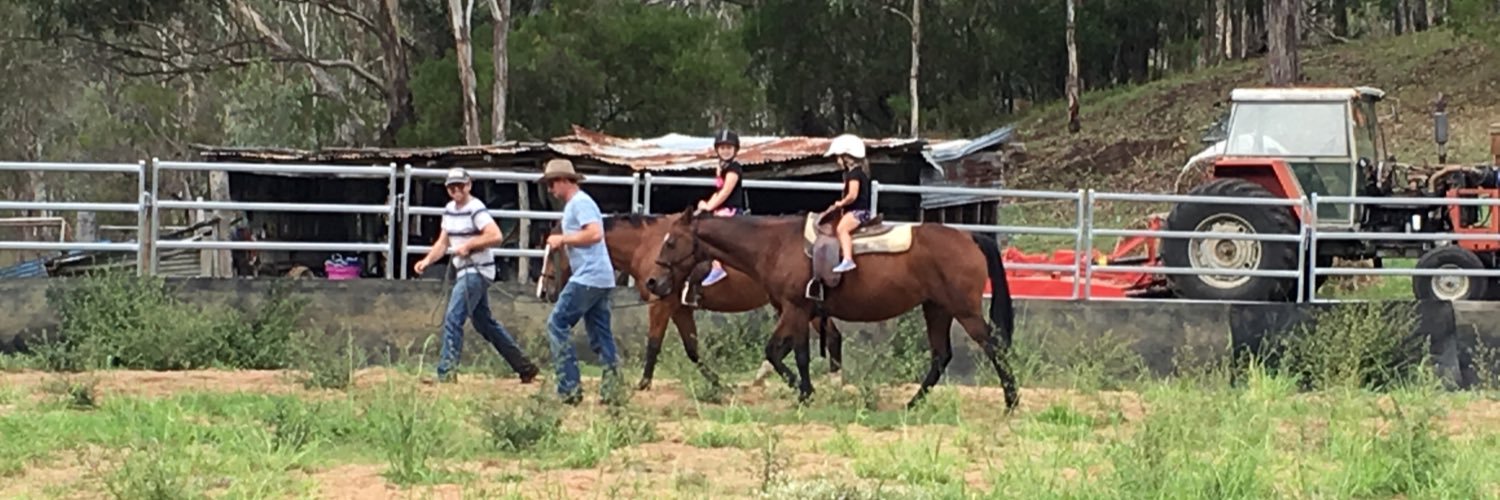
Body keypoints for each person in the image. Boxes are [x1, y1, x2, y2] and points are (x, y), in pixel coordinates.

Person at [414, 167, 539, 384]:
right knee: (484, 323)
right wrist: (427, 260)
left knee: (453, 317)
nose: (456, 191)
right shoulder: (449, 210)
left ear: (468, 185)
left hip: (477, 270)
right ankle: (524, 366)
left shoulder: (476, 208)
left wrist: (469, 245)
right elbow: (443, 243)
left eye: (459, 186)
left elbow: (495, 235)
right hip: (466, 270)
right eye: (452, 187)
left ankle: (447, 372)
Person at [540, 158, 622, 404]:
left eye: (552, 183)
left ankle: (569, 388)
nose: (551, 190)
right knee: (600, 333)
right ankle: (612, 388)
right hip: (600, 276)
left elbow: (595, 233)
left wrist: (562, 239)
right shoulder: (580, 203)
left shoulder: (580, 203)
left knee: (557, 323)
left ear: (565, 181)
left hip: (589, 275)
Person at [695, 129, 750, 287]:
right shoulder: (721, 168)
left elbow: (725, 192)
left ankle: (718, 267)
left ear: (735, 150)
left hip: (731, 210)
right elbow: (717, 191)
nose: (726, 151)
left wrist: (709, 207)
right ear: (717, 150)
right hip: (721, 209)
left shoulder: (734, 169)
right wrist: (705, 205)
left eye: (729, 148)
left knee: (713, 232)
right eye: (722, 147)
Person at [824, 134, 873, 273]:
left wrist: (841, 203)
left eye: (837, 157)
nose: (837, 160)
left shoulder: (854, 175)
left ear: (845, 156)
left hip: (857, 212)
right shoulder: (859, 172)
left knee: (841, 229)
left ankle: (847, 259)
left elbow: (852, 195)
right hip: (860, 211)